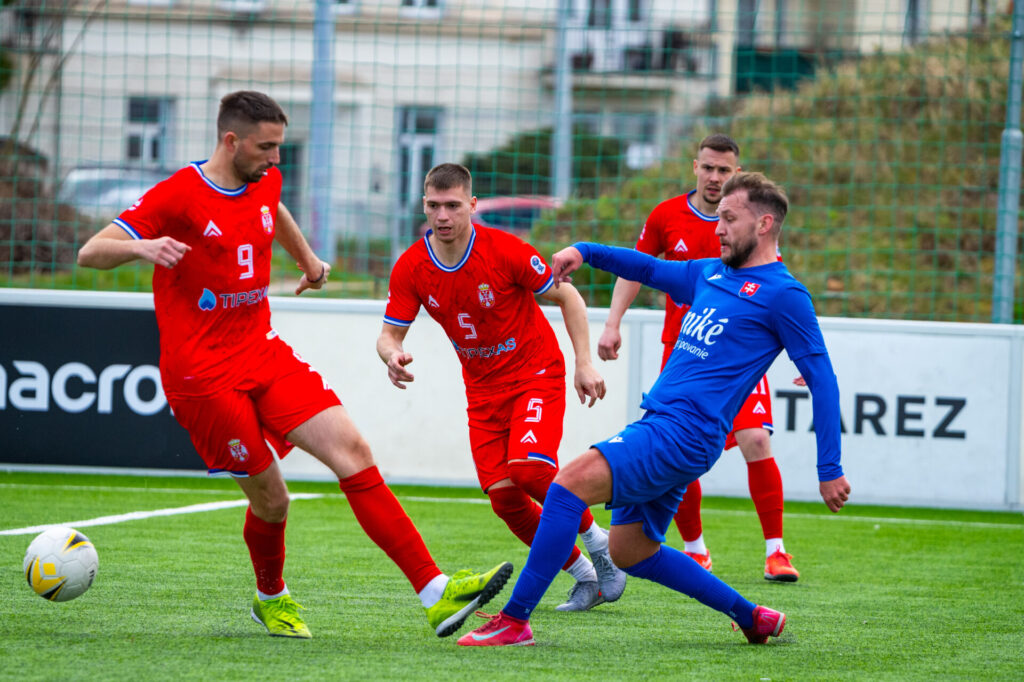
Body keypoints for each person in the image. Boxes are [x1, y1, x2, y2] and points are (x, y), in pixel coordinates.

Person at [76, 91, 512, 640]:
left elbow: (273, 209)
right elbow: (90, 251)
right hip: (202, 377)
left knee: (353, 451)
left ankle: (434, 591)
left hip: (261, 350)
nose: (276, 158)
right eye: (266, 147)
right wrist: (144, 248)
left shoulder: (265, 179)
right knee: (273, 500)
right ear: (231, 141)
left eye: (279, 146)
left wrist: (306, 259)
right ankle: (271, 597)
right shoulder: (179, 194)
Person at [457, 172, 851, 647]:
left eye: (729, 218)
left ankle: (514, 620)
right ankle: (751, 616)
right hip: (666, 426)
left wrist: (829, 468)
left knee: (566, 486)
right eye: (718, 218)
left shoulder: (784, 295)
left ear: (764, 224)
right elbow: (646, 268)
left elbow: (822, 380)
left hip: (685, 433)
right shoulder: (710, 273)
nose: (718, 228)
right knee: (631, 551)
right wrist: (585, 250)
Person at [377, 163, 627, 612]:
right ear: (424, 206)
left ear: (472, 205)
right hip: (483, 392)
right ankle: (585, 575)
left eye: (453, 205)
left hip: (535, 373)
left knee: (529, 470)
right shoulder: (412, 266)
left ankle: (600, 545)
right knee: (505, 499)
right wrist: (391, 355)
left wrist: (584, 362)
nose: (443, 216)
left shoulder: (506, 250)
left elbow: (568, 295)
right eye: (434, 206)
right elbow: (388, 335)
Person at [598, 134, 799, 581]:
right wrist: (613, 322)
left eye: (724, 170)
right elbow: (637, 267)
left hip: (737, 359)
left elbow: (776, 294)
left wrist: (801, 357)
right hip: (684, 353)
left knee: (757, 439)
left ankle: (776, 551)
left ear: (737, 173)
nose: (714, 177)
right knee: (680, 453)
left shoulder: (751, 222)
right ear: (695, 167)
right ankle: (696, 550)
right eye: (708, 167)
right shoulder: (666, 215)